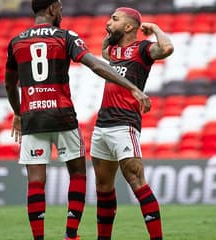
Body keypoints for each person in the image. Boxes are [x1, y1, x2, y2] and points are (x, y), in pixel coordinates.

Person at [4, 1, 151, 239]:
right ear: (52, 9)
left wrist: (18, 113)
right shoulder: (65, 36)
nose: (61, 10)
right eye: (59, 6)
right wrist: (132, 87)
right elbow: (93, 64)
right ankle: (70, 235)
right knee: (78, 174)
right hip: (62, 115)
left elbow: (10, 84)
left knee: (36, 181)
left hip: (32, 116)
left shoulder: (16, 41)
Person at [91, 7, 174, 240]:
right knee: (103, 188)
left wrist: (155, 28)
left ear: (129, 27)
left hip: (124, 124)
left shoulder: (142, 49)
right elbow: (104, 50)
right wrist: (110, 29)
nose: (109, 22)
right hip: (101, 125)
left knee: (137, 181)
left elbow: (167, 48)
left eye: (114, 19)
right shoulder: (114, 51)